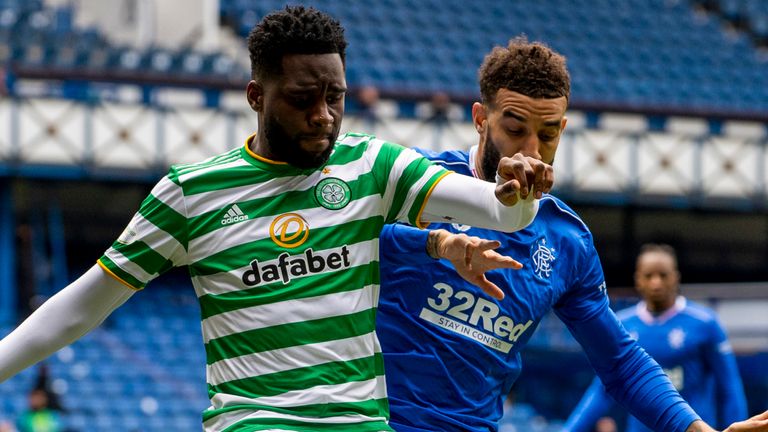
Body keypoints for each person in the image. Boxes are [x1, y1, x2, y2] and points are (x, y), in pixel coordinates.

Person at [0, 7, 554, 432]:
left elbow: (497, 211)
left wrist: (520, 189)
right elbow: (82, 305)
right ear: (255, 96)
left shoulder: (371, 166)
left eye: (335, 96)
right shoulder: (190, 193)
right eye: (301, 98)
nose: (323, 115)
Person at [375, 37, 768, 432]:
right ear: (480, 119)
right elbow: (338, 238)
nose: (531, 150)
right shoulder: (415, 185)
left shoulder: (565, 241)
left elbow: (620, 363)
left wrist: (696, 429)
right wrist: (436, 244)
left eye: (547, 135)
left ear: (563, 128)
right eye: (515, 129)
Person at [563, 244, 748, 432]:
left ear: (676, 278)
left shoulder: (705, 323)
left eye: (663, 275)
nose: (656, 283)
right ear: (638, 280)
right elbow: (601, 391)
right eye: (649, 276)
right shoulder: (621, 325)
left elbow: (729, 386)